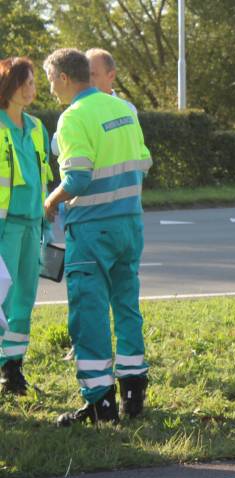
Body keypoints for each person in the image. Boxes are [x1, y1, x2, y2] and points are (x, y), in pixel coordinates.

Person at [43, 48, 151, 426]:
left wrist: (51, 201)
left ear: (64, 78)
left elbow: (77, 179)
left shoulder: (73, 117)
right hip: (129, 223)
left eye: (51, 80)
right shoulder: (123, 109)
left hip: (92, 228)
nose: (50, 88)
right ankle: (133, 392)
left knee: (89, 313)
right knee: (126, 306)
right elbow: (143, 162)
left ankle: (100, 403)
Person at [0, 57, 54, 395]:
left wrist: (46, 220)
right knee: (2, 300)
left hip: (32, 224)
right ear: (8, 86)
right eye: (24, 82)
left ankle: (12, 369)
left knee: (23, 299)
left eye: (33, 82)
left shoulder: (36, 127)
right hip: (4, 227)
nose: (30, 89)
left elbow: (44, 174)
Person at [51, 48, 136, 158]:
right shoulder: (75, 112)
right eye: (85, 74)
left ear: (111, 75)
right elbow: (55, 147)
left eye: (92, 74)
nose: (87, 79)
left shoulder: (128, 109)